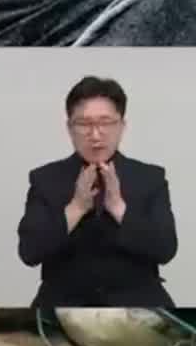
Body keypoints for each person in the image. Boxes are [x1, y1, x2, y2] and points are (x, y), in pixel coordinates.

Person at [16, 75, 178, 308]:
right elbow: (29, 252)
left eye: (106, 122)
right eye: (83, 124)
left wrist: (118, 208)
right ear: (70, 128)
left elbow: (166, 249)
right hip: (62, 303)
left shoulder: (150, 178)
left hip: (138, 303)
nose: (95, 134)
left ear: (122, 126)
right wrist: (76, 208)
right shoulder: (45, 179)